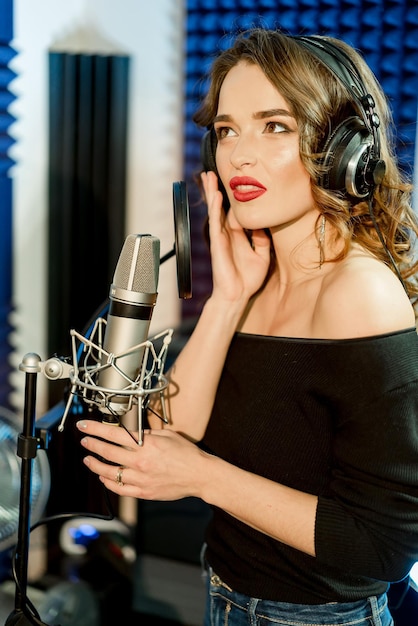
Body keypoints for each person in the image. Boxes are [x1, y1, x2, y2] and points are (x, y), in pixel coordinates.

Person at [76, 28, 418, 626]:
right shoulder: (254, 281)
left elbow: (382, 547)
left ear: (344, 150)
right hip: (226, 594)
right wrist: (227, 300)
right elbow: (163, 436)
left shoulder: (359, 293)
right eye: (227, 130)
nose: (239, 155)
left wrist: (204, 476)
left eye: (275, 125)